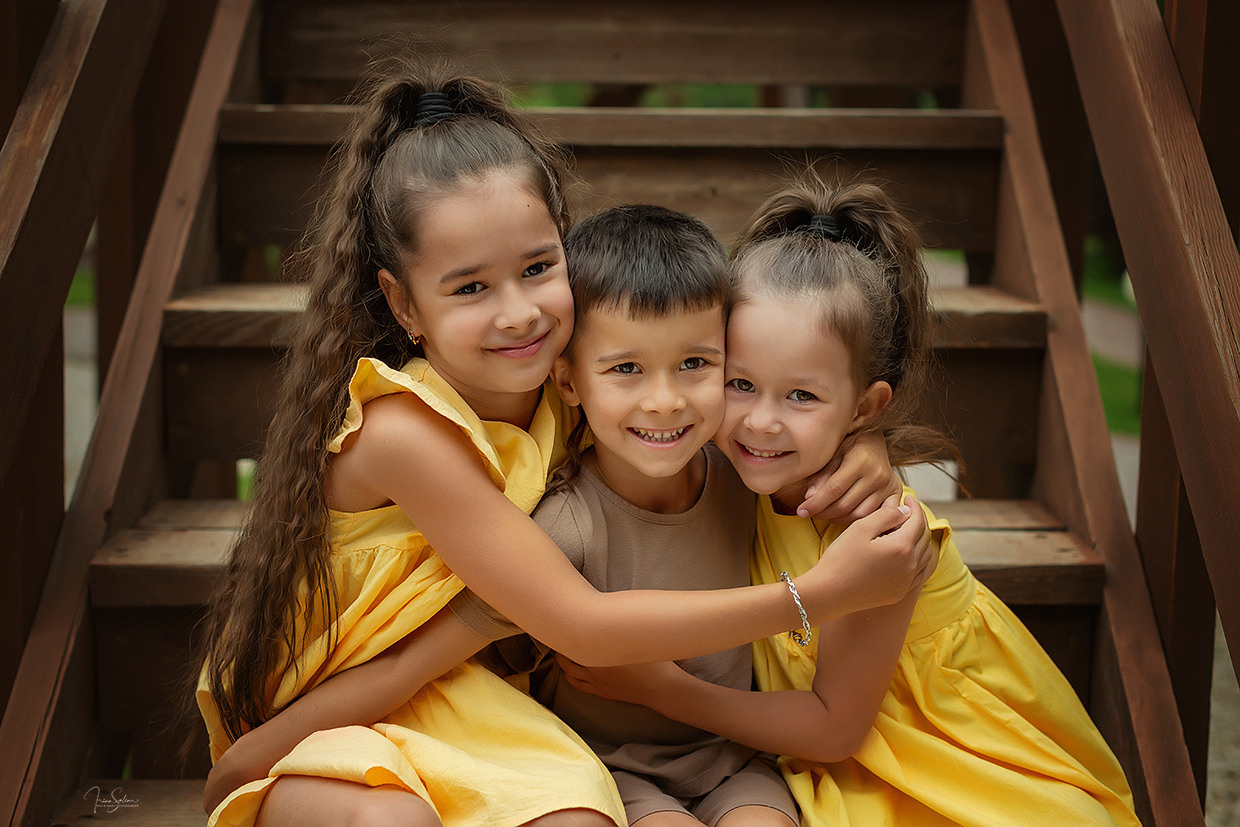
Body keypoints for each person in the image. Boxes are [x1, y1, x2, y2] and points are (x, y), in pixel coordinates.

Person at [195, 59, 935, 827]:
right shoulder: (402, 430)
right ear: (403, 303)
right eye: (471, 287)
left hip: (475, 700)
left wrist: (863, 442)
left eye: (539, 268)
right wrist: (815, 595)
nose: (519, 313)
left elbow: (698, 391)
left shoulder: (559, 383)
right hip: (347, 704)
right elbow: (580, 626)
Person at [558, 179, 1142, 826]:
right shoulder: (714, 458)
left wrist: (666, 690)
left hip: (952, 761)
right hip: (812, 751)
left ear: (865, 408)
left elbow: (836, 728)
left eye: (801, 396)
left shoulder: (878, 530)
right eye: (739, 382)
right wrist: (867, 442)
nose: (760, 422)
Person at [448, 204, 929, 826]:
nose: (665, 401)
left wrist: (872, 445)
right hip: (614, 765)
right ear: (567, 382)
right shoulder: (566, 524)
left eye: (697, 365)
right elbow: (479, 656)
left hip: (734, 758)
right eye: (627, 369)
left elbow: (826, 427)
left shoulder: (739, 476)